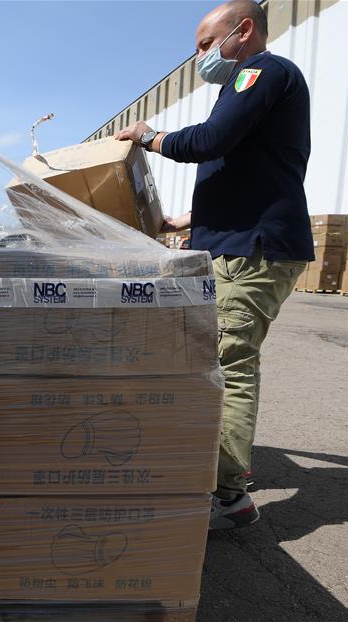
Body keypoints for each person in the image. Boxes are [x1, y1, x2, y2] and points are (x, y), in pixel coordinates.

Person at [115, 0, 314, 530]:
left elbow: (209, 142)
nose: (200, 56)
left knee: (230, 364)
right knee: (215, 361)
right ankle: (213, 472)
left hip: (256, 251)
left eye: (205, 44)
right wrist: (186, 219)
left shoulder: (262, 72)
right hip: (237, 243)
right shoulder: (249, 86)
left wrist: (148, 137)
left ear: (243, 31)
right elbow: (246, 170)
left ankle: (228, 498)